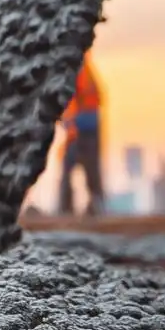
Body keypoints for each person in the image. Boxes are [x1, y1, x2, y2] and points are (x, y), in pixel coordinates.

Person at [56, 53, 106, 217]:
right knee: (89, 170)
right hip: (87, 126)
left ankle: (66, 209)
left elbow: (77, 100)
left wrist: (69, 124)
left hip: (81, 129)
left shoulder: (77, 71)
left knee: (70, 168)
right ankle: (93, 204)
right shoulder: (85, 71)